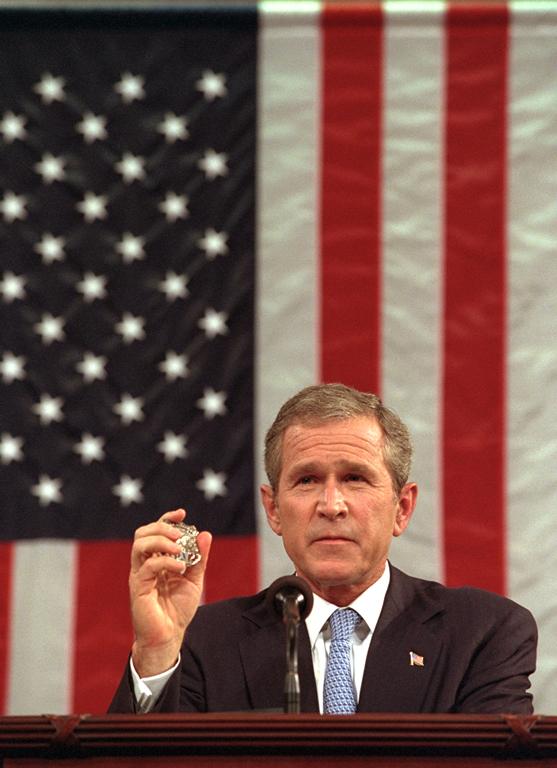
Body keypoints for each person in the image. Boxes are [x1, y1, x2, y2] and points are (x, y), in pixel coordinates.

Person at [109, 383, 537, 714]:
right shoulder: (202, 641)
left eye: (355, 478)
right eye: (307, 480)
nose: (331, 505)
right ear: (274, 510)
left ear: (402, 509)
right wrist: (158, 651)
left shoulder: (482, 633)